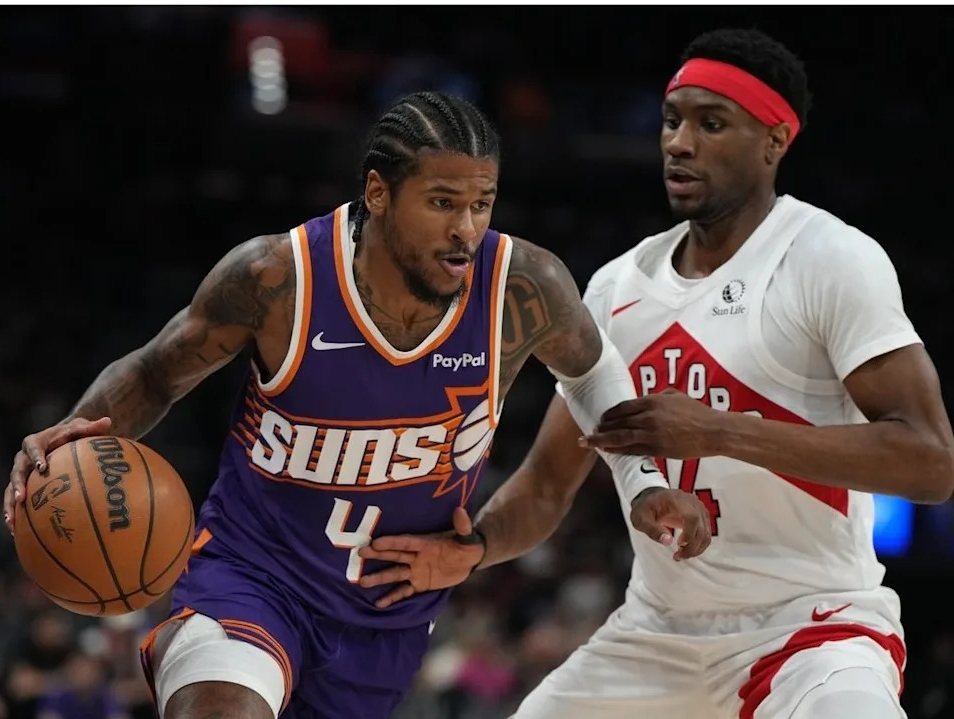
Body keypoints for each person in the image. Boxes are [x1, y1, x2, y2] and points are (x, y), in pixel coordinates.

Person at [4, 91, 711, 719]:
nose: (467, 227)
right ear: (378, 192)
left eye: (482, 202)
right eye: (442, 202)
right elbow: (157, 373)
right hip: (253, 575)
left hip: (386, 618)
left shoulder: (522, 287)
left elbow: (592, 375)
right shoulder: (278, 277)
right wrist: (76, 433)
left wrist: (643, 483)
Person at [357, 30, 954, 719]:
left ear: (775, 139)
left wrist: (720, 431)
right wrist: (476, 546)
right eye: (672, 120)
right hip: (656, 634)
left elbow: (930, 462)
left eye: (711, 123)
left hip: (812, 629)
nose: (679, 142)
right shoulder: (615, 290)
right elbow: (550, 482)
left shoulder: (830, 259)